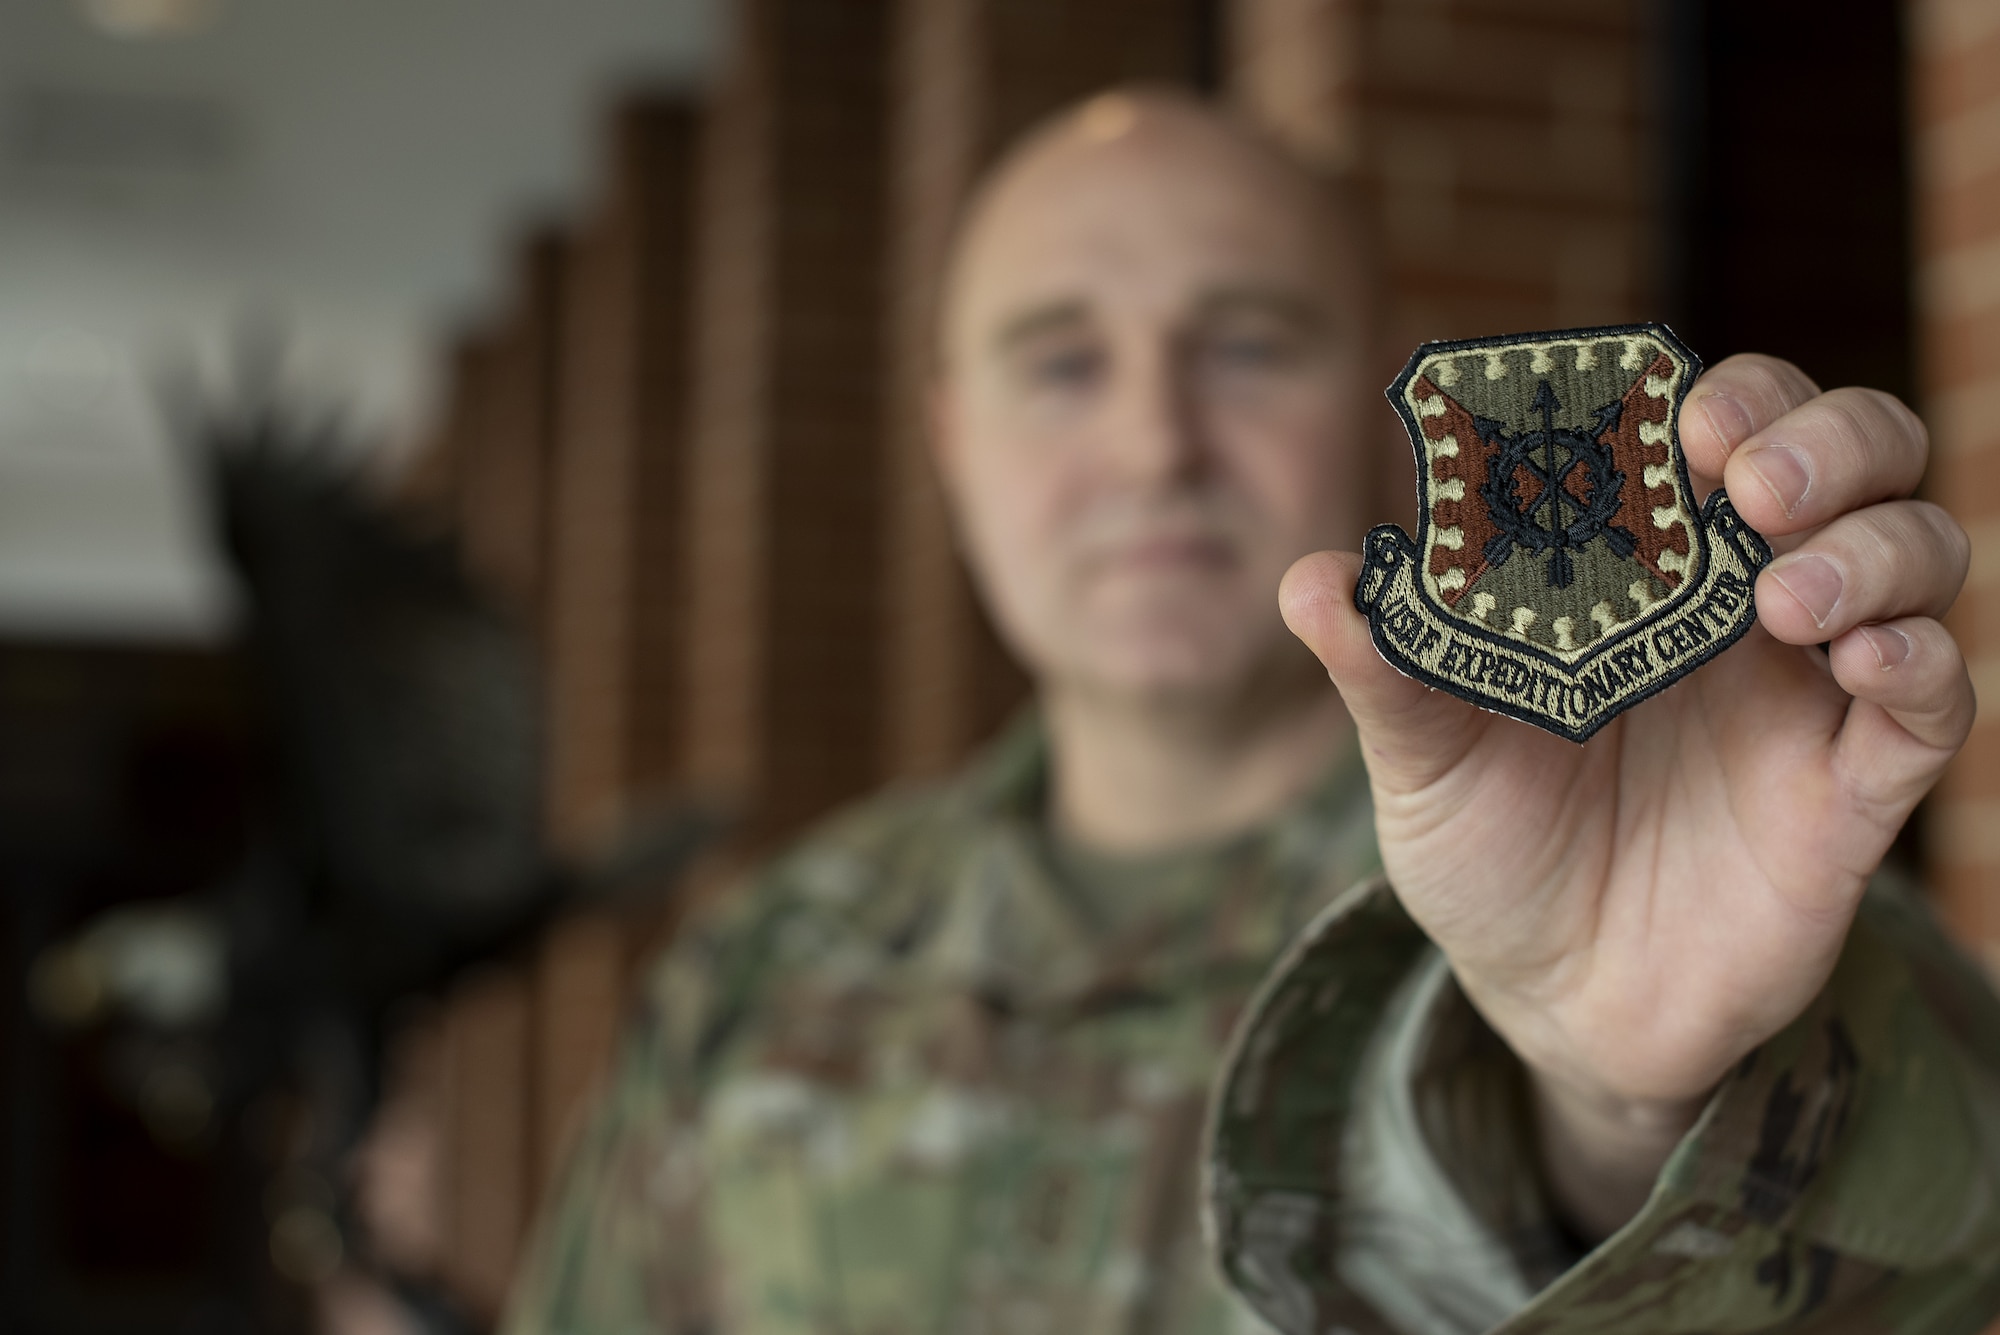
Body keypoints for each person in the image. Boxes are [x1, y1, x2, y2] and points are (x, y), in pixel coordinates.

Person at [502, 89, 2000, 1335]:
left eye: (1248, 346)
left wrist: (1619, 1112)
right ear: (953, 439)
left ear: (1385, 410)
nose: (1155, 443)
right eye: (1063, 361)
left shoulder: (1701, 896)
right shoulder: (755, 982)